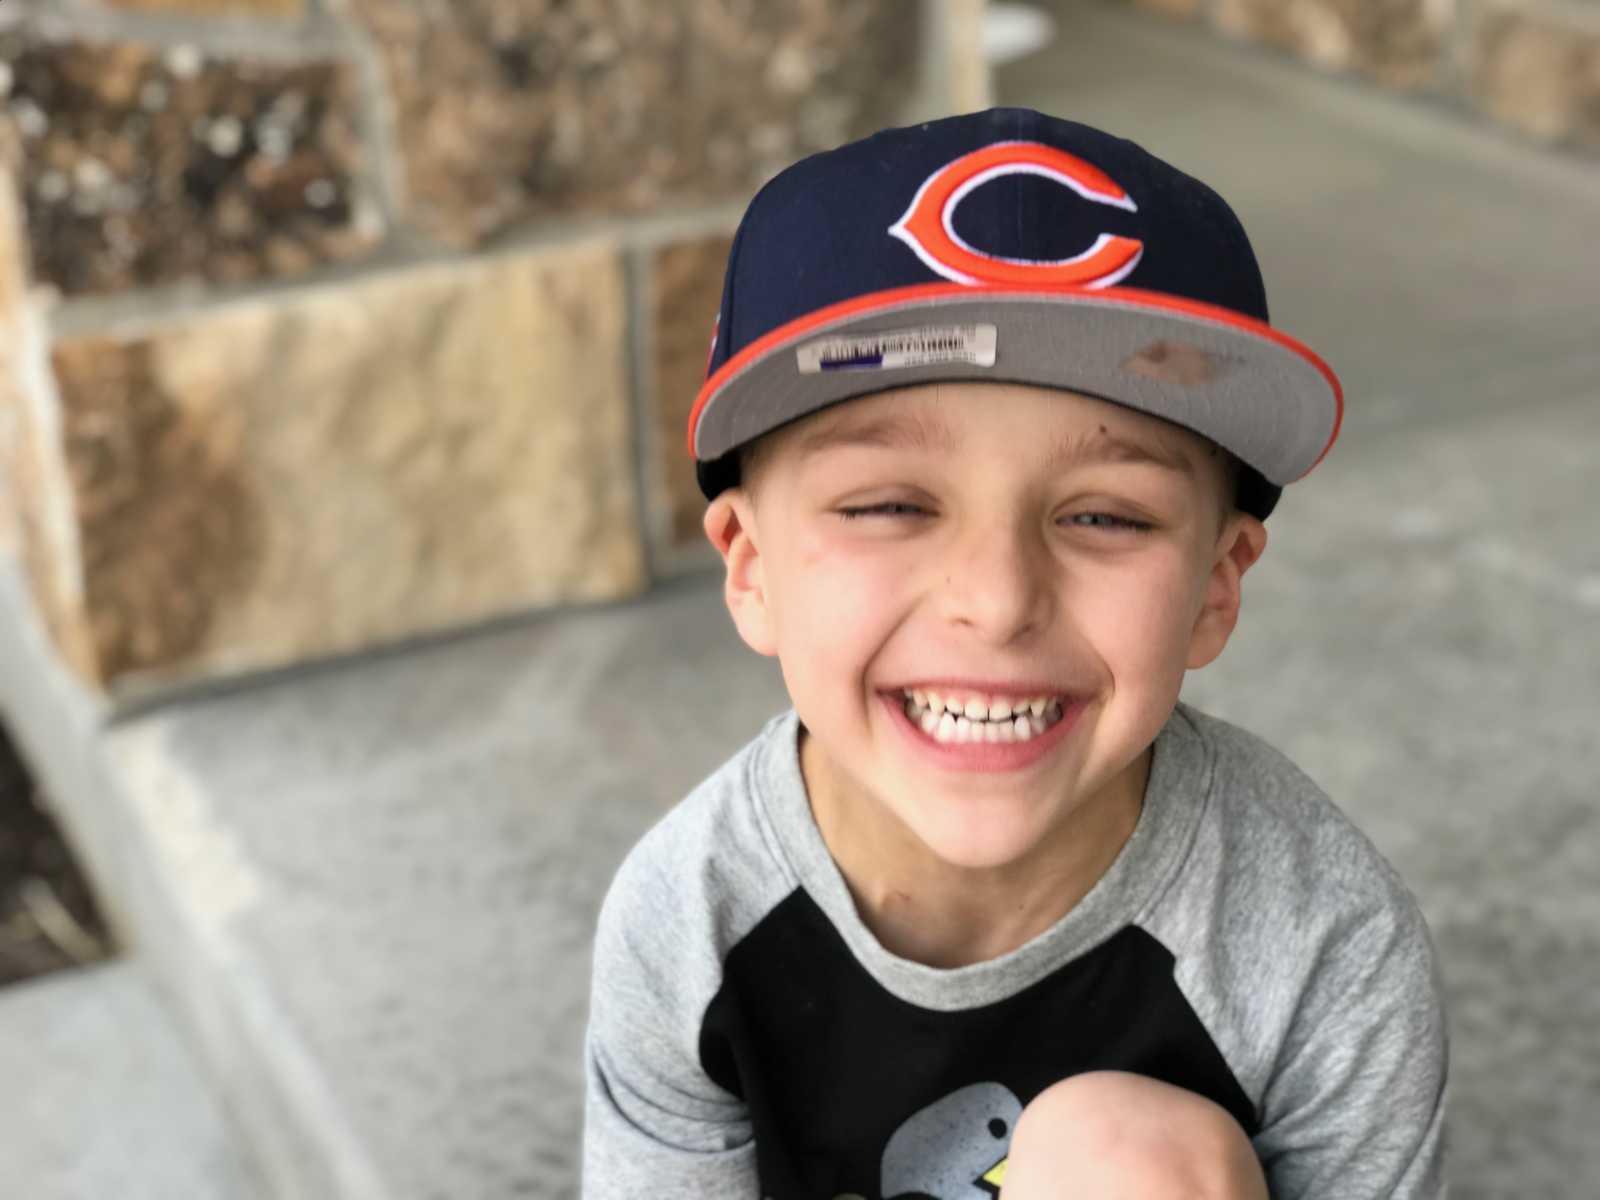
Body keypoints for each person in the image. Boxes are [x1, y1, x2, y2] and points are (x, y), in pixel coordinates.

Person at [581, 107, 1448, 1199]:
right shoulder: (690, 919)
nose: (995, 602)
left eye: (1106, 518)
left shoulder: (1321, 942)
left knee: (1126, 1154)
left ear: (1215, 586)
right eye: (889, 503)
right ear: (750, 566)